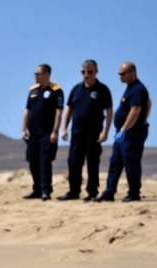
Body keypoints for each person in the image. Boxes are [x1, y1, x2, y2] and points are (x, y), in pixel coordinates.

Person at [94, 61, 151, 202]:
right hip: (123, 134)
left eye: (123, 74)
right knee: (115, 162)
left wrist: (126, 128)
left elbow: (136, 110)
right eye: (119, 74)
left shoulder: (138, 89)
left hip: (132, 134)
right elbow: (149, 102)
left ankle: (134, 193)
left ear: (132, 72)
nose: (120, 77)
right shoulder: (130, 88)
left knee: (131, 163)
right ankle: (109, 191)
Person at [58, 60, 113, 201]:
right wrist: (64, 128)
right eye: (84, 72)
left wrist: (105, 132)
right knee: (74, 162)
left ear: (96, 72)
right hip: (77, 133)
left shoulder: (103, 90)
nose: (86, 75)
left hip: (94, 134)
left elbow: (109, 111)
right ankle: (73, 191)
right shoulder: (76, 89)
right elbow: (69, 109)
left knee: (92, 163)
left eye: (90, 72)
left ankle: (92, 192)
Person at [21, 63, 65, 201]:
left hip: (47, 133)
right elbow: (27, 111)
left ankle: (46, 190)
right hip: (33, 133)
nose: (36, 76)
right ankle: (37, 189)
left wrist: (55, 131)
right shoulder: (33, 91)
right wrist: (23, 129)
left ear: (46, 74)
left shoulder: (56, 91)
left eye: (38, 74)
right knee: (33, 161)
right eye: (35, 74)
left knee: (45, 162)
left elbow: (59, 113)